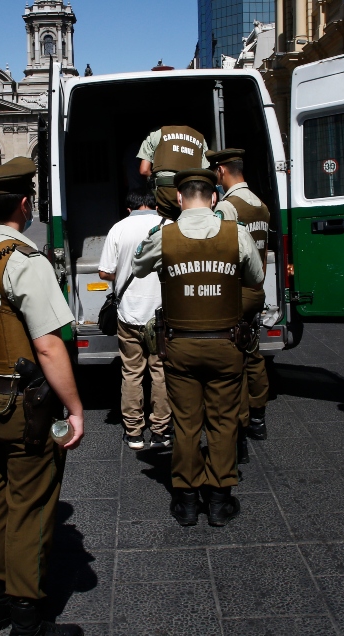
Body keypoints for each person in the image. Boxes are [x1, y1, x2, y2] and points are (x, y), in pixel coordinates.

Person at [0, 157, 85, 636]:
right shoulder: (24, 262)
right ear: (25, 204)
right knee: (31, 501)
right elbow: (49, 344)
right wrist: (74, 407)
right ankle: (27, 616)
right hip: (23, 405)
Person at [132, 168, 264, 528]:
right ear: (215, 197)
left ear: (178, 198)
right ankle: (220, 502)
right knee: (222, 423)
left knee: (186, 424)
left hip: (181, 346)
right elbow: (256, 278)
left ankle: (188, 501)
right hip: (226, 344)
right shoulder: (235, 234)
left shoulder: (166, 235)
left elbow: (138, 266)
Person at [208, 148, 271, 464]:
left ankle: (240, 422)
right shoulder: (260, 204)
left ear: (221, 171)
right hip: (256, 290)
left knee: (233, 357)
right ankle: (258, 415)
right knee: (253, 351)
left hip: (235, 293)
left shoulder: (229, 208)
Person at [98, 187, 171, 451]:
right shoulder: (169, 226)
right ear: (155, 205)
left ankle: (134, 433)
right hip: (162, 315)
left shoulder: (118, 228)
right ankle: (161, 431)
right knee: (161, 373)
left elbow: (104, 272)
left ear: (129, 208)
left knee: (131, 373)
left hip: (128, 314)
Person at [136, 126, 209, 219]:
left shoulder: (157, 133)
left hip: (163, 191)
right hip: (191, 190)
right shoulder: (200, 138)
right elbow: (205, 171)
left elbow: (144, 170)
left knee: (164, 227)